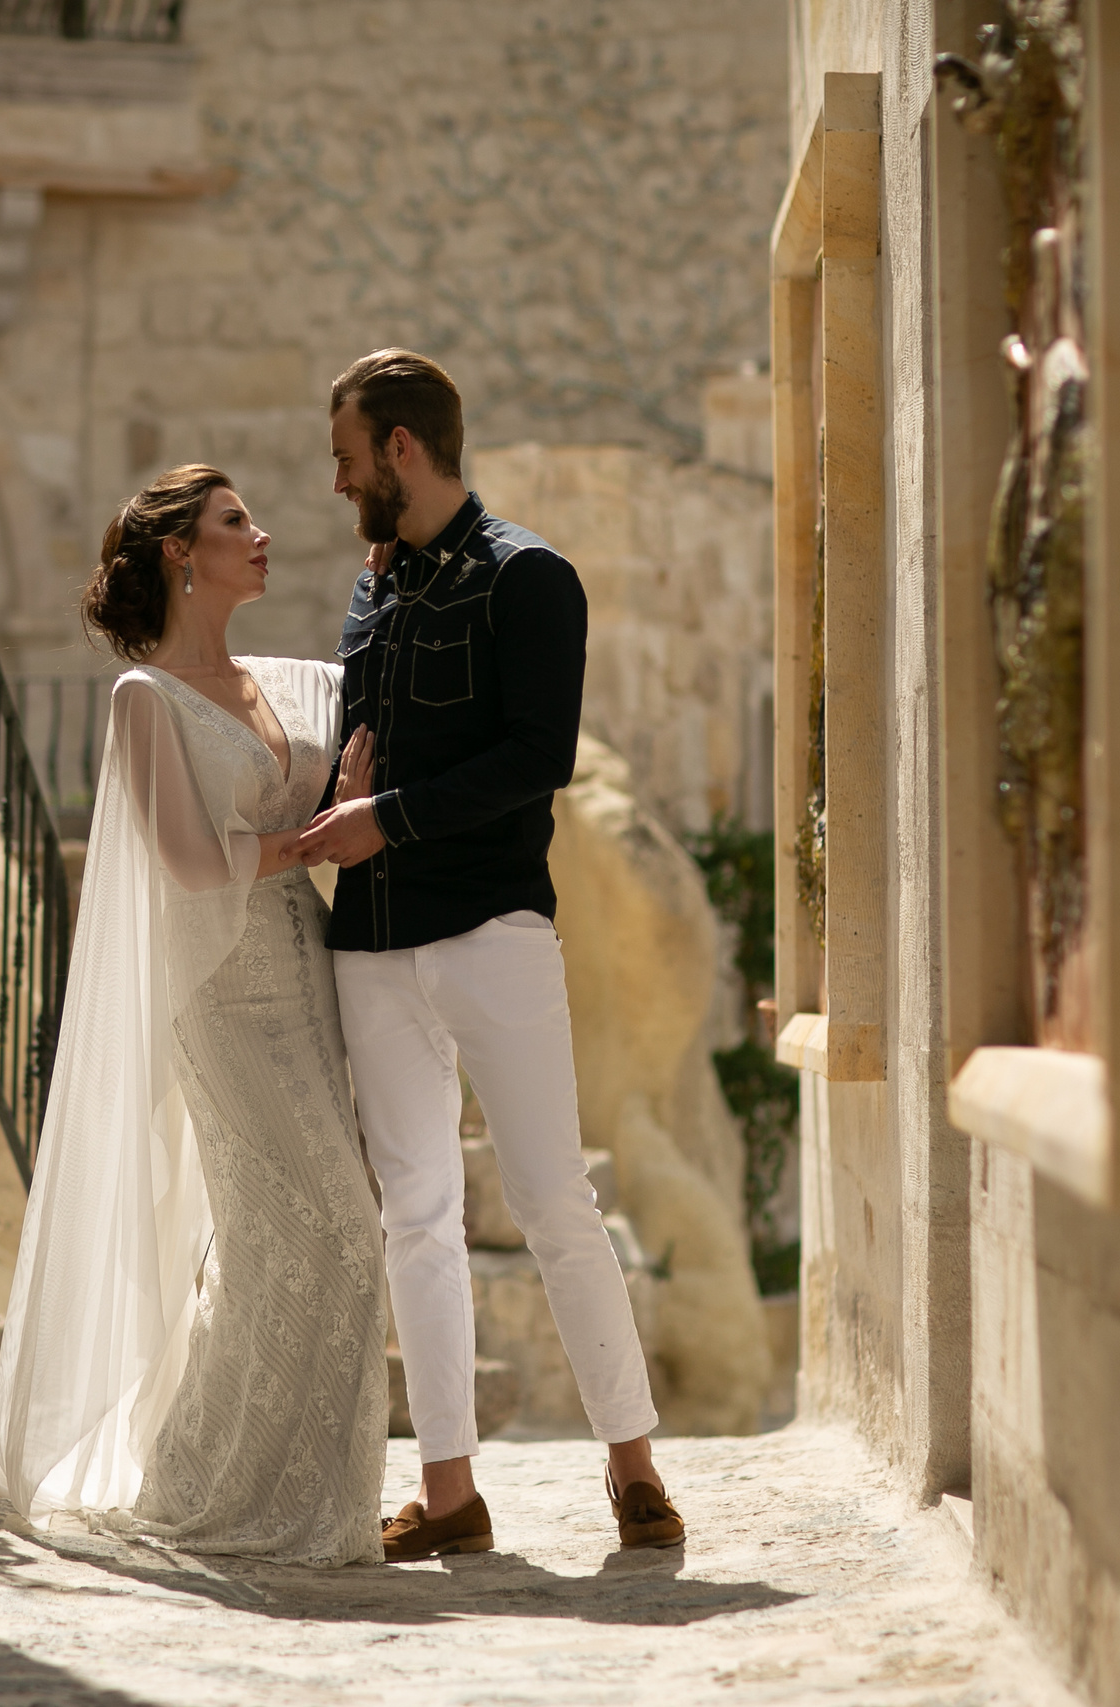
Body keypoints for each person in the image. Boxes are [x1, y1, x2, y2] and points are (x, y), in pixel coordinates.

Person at [293, 349, 686, 1560]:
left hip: (492, 931)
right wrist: (340, 793)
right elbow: (362, 745)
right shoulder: (370, 592)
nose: (339, 478)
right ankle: (451, 1494)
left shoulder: (532, 578)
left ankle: (633, 1470)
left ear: (401, 449)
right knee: (415, 1216)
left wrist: (383, 818)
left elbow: (534, 760)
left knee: (555, 1202)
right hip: (369, 939)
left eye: (348, 456)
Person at [0, 465, 388, 1567]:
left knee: (307, 1234)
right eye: (234, 523)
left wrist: (343, 793)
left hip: (303, 968)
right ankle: (198, 1485)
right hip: (214, 991)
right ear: (178, 552)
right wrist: (316, 837)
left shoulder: (286, 682)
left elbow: (356, 738)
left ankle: (297, 1492)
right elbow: (180, 862)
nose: (261, 536)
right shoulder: (142, 699)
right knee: (322, 1228)